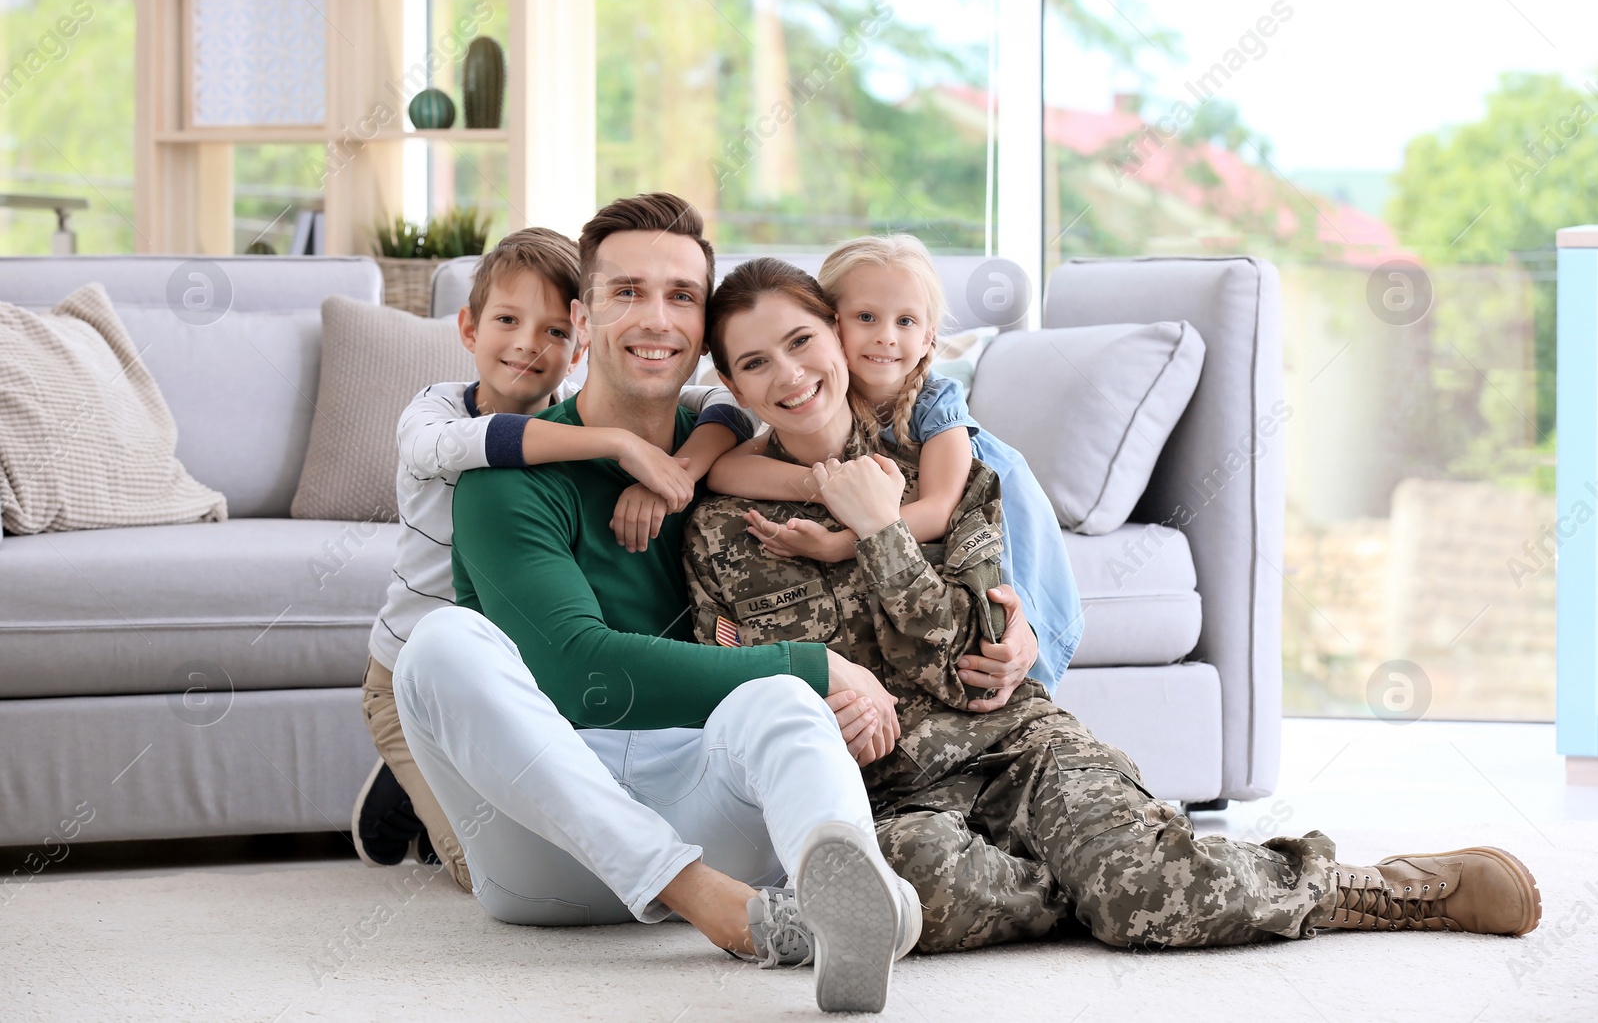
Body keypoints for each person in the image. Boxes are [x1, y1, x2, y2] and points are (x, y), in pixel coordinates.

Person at [683, 256, 1544, 954]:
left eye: (802, 341)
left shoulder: (948, 469)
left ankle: (1372, 886)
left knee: (1150, 906)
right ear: (732, 383)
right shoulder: (722, 526)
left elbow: (966, 655)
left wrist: (879, 533)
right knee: (910, 904)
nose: (789, 374)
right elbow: (736, 682)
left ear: (837, 335)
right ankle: (1108, 874)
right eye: (756, 362)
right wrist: (822, 706)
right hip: (897, 797)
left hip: (1014, 742)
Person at [388, 195, 1045, 1013]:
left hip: (704, 798)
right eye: (626, 292)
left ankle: (847, 901)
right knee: (441, 643)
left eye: (680, 297)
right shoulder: (506, 483)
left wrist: (1022, 638)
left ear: (705, 335)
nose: (654, 317)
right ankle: (705, 901)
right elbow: (576, 672)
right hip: (544, 849)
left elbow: (946, 543)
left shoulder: (729, 460)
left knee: (775, 698)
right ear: (582, 321)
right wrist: (818, 666)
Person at [353, 226, 756, 890]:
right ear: (467, 328)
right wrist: (619, 446)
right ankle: (413, 785)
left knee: (565, 825)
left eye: (553, 333)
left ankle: (450, 774)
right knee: (479, 869)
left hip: (512, 678)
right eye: (507, 321)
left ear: (578, 341)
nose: (527, 346)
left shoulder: (568, 413)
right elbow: (460, 447)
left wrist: (677, 470)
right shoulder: (434, 412)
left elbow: (724, 405)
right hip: (410, 677)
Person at [708, 234, 1082, 691]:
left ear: (928, 337)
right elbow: (726, 470)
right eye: (866, 317)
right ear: (833, 322)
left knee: (1012, 617)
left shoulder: (935, 406)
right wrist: (829, 483)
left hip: (997, 498)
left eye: (905, 321)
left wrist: (839, 543)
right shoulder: (812, 392)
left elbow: (940, 508)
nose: (886, 335)